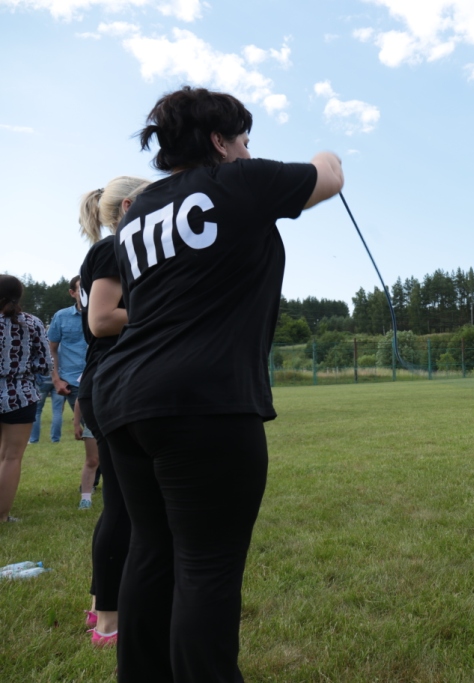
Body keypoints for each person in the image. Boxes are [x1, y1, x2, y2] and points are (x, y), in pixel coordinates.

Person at [91, 86, 343, 682]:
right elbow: (329, 175)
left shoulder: (138, 215)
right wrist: (326, 152)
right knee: (206, 566)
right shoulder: (238, 181)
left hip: (124, 397)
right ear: (219, 142)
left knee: (151, 550)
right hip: (202, 400)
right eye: (245, 140)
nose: (250, 151)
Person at [76, 176, 152, 648]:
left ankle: (100, 604)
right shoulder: (113, 250)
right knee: (124, 506)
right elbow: (102, 319)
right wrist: (166, 308)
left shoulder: (115, 250)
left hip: (109, 382)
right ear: (128, 207)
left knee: (121, 505)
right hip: (111, 381)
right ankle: (108, 622)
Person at [0, 275, 52, 522]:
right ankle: (2, 516)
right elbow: (45, 364)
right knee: (11, 458)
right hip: (20, 395)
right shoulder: (32, 323)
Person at [47, 275, 99, 509]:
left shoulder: (100, 312)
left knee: (101, 430)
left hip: (102, 377)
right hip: (73, 382)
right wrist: (56, 379)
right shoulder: (61, 317)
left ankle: (92, 482)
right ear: (72, 293)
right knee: (93, 429)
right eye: (81, 289)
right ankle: (90, 485)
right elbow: (51, 350)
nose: (85, 293)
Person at [28, 361, 62, 444]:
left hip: (42, 380)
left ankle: (34, 439)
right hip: (58, 380)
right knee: (57, 411)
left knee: (37, 411)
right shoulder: (58, 353)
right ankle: (56, 439)